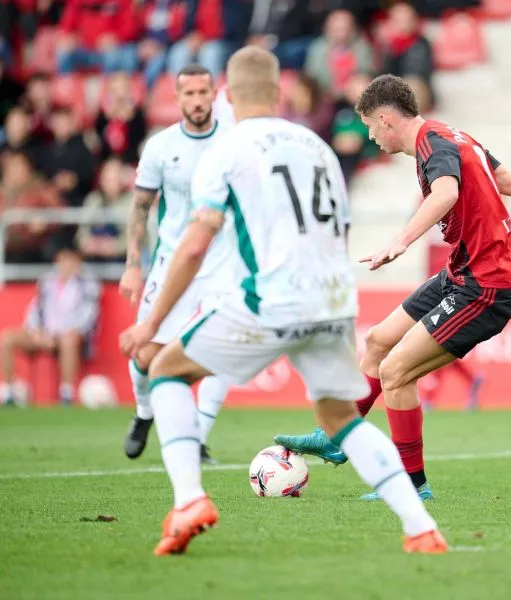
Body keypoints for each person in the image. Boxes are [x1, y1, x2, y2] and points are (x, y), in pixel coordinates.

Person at [119, 47, 446, 556]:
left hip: (271, 300)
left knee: (163, 369)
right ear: (279, 94)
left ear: (227, 95)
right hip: (332, 302)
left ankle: (188, 501)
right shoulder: (317, 147)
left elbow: (196, 242)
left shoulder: (223, 151)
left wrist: (151, 322)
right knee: (342, 419)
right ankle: (420, 526)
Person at [274, 74, 511, 500]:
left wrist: (400, 241)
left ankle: (413, 487)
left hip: (485, 287)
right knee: (378, 341)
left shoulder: (433, 144)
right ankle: (336, 438)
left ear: (387, 119)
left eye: (370, 125)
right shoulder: (454, 136)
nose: (370, 135)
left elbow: (445, 194)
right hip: (460, 274)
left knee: (396, 373)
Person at [118, 65, 232, 466]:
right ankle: (144, 413)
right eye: (189, 94)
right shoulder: (160, 147)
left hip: (223, 263)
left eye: (204, 92)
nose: (198, 101)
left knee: (224, 348)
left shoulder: (233, 139)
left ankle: (197, 437)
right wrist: (134, 263)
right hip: (171, 263)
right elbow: (140, 208)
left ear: (215, 93)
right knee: (145, 354)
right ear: (177, 97)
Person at [0, 247, 99, 406]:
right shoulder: (47, 281)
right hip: (44, 333)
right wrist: (36, 331)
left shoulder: (86, 283)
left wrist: (60, 334)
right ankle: (10, 391)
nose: (67, 265)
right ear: (57, 261)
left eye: (71, 260)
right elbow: (34, 308)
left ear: (77, 262)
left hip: (69, 334)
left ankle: (66, 394)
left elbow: (88, 315)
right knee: (7, 338)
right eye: (63, 260)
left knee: (68, 341)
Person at [76, 157, 133, 263]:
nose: (110, 181)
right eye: (107, 177)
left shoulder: (132, 201)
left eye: (114, 177)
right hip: (93, 259)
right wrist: (89, 244)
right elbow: (81, 234)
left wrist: (115, 246)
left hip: (122, 261)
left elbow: (137, 237)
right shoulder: (93, 200)